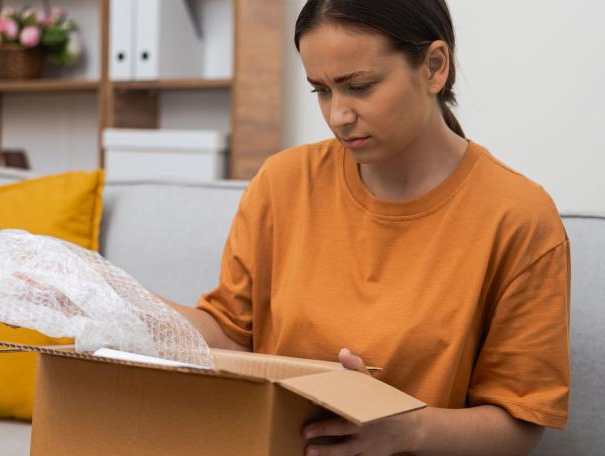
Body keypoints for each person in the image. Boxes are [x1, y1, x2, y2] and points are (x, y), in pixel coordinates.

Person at [168, 0, 570, 454]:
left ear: (434, 67)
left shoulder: (517, 217)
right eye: (320, 91)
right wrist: (116, 302)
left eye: (359, 86)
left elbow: (518, 425)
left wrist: (407, 429)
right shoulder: (282, 184)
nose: (338, 115)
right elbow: (230, 336)